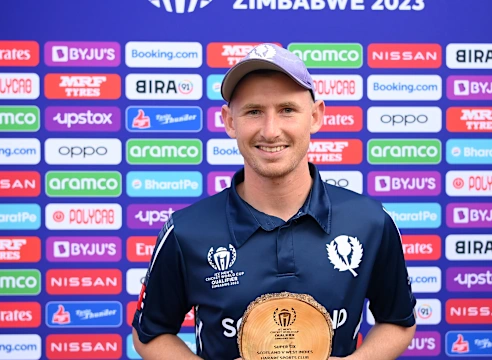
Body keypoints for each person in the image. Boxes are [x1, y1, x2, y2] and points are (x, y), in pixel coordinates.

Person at [131, 43, 417, 360]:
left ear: (315, 116)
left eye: (287, 110)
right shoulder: (186, 230)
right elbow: (151, 333)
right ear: (229, 121)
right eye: (254, 111)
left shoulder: (371, 221)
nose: (270, 131)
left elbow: (397, 321)